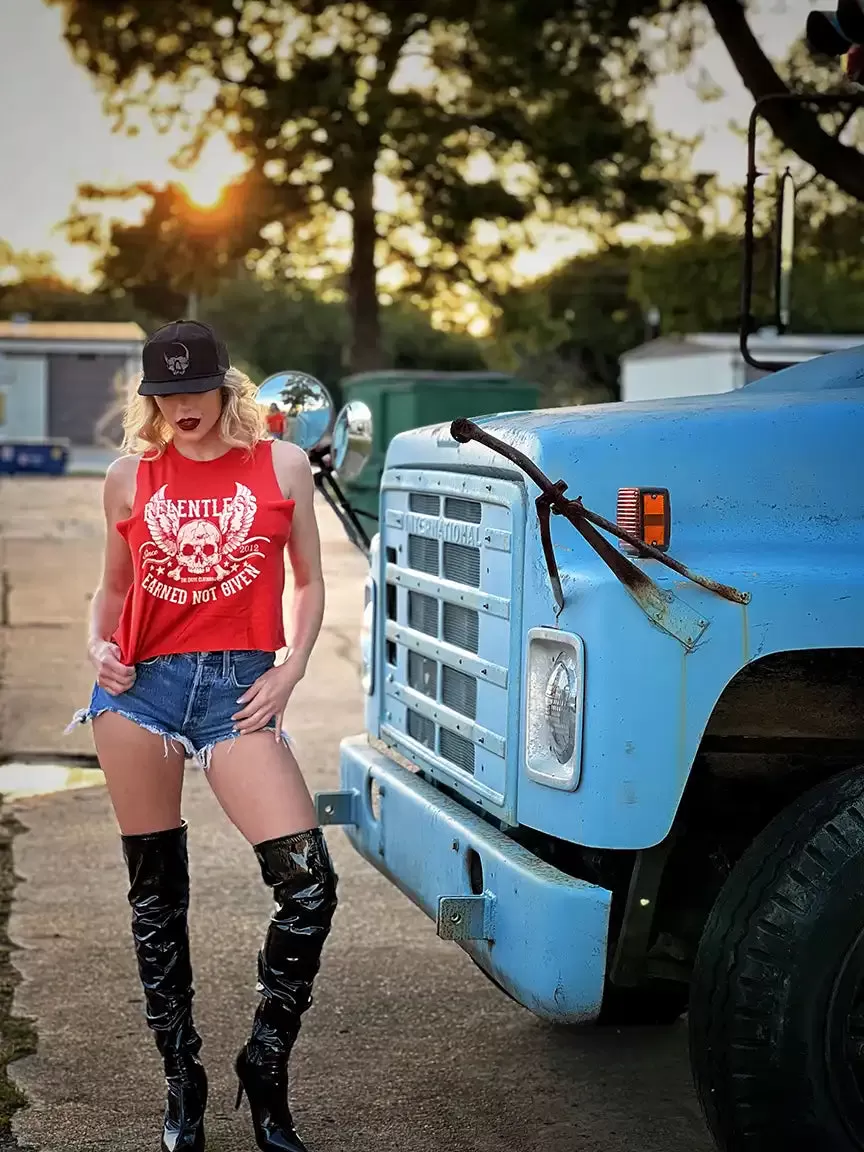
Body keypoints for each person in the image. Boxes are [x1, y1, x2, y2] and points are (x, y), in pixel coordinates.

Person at [67, 319, 338, 1152]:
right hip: (141, 696)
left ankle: (265, 1064)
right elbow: (109, 592)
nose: (182, 406)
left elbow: (312, 580)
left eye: (195, 389)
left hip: (238, 693)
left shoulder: (282, 466)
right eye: (166, 393)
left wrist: (289, 670)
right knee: (157, 900)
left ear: (227, 388)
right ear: (151, 400)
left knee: (309, 888)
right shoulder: (127, 477)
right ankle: (181, 1083)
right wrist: (98, 648)